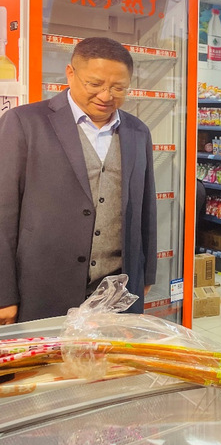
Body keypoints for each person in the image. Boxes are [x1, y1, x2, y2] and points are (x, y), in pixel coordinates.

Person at [0, 37, 157, 325]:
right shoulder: (24, 123)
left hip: (118, 289)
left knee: (112, 355)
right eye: (94, 84)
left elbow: (146, 207)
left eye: (118, 88)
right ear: (70, 73)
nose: (106, 96)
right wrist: (4, 293)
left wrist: (146, 274)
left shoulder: (138, 132)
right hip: (43, 287)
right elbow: (4, 212)